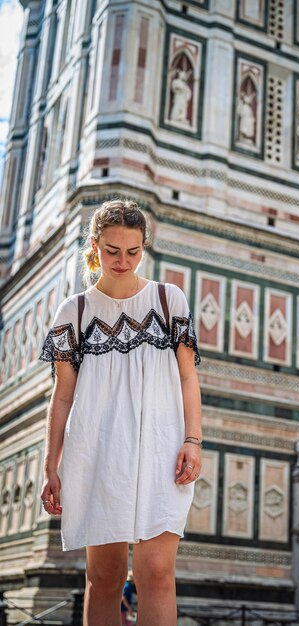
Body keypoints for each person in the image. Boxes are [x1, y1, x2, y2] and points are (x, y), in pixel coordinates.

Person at [39, 200, 202, 626]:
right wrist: (50, 467)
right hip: (97, 452)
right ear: (95, 246)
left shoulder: (169, 301)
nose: (122, 261)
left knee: (157, 573)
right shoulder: (73, 312)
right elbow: (61, 397)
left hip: (161, 450)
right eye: (112, 251)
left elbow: (187, 378)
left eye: (132, 252)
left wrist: (193, 440)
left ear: (143, 248)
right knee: (104, 576)